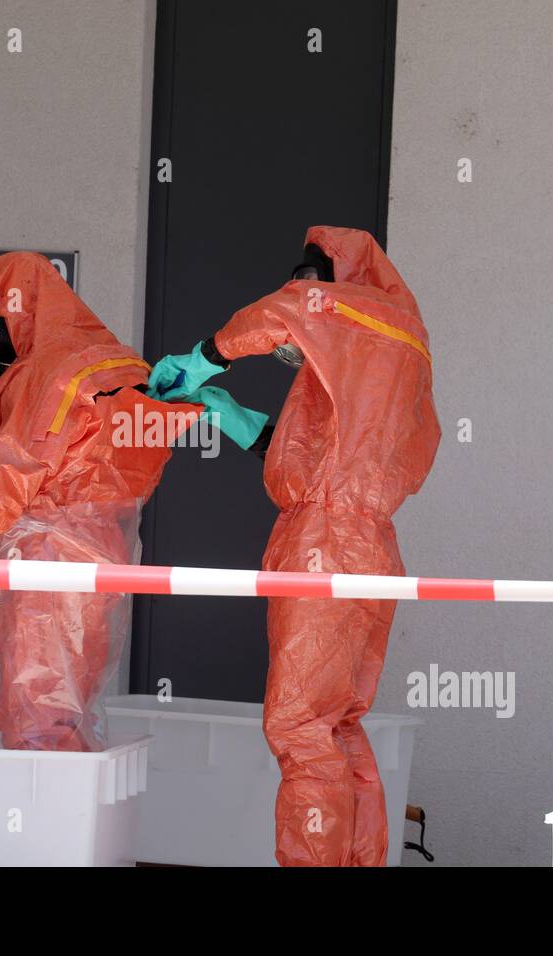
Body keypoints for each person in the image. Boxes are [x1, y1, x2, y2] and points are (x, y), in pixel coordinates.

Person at [148, 226, 440, 865]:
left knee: (300, 726)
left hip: (325, 545)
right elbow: (315, 453)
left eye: (305, 285)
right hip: (365, 546)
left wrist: (204, 357)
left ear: (336, 283)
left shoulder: (358, 310)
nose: (297, 299)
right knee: (337, 726)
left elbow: (287, 312)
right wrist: (223, 409)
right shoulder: (384, 349)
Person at [0, 251, 220, 752]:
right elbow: (148, 451)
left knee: (35, 706)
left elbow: (23, 461)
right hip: (103, 552)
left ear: (13, 311)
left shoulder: (52, 372)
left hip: (45, 554)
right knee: (70, 703)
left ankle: (31, 822)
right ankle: (69, 821)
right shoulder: (121, 366)